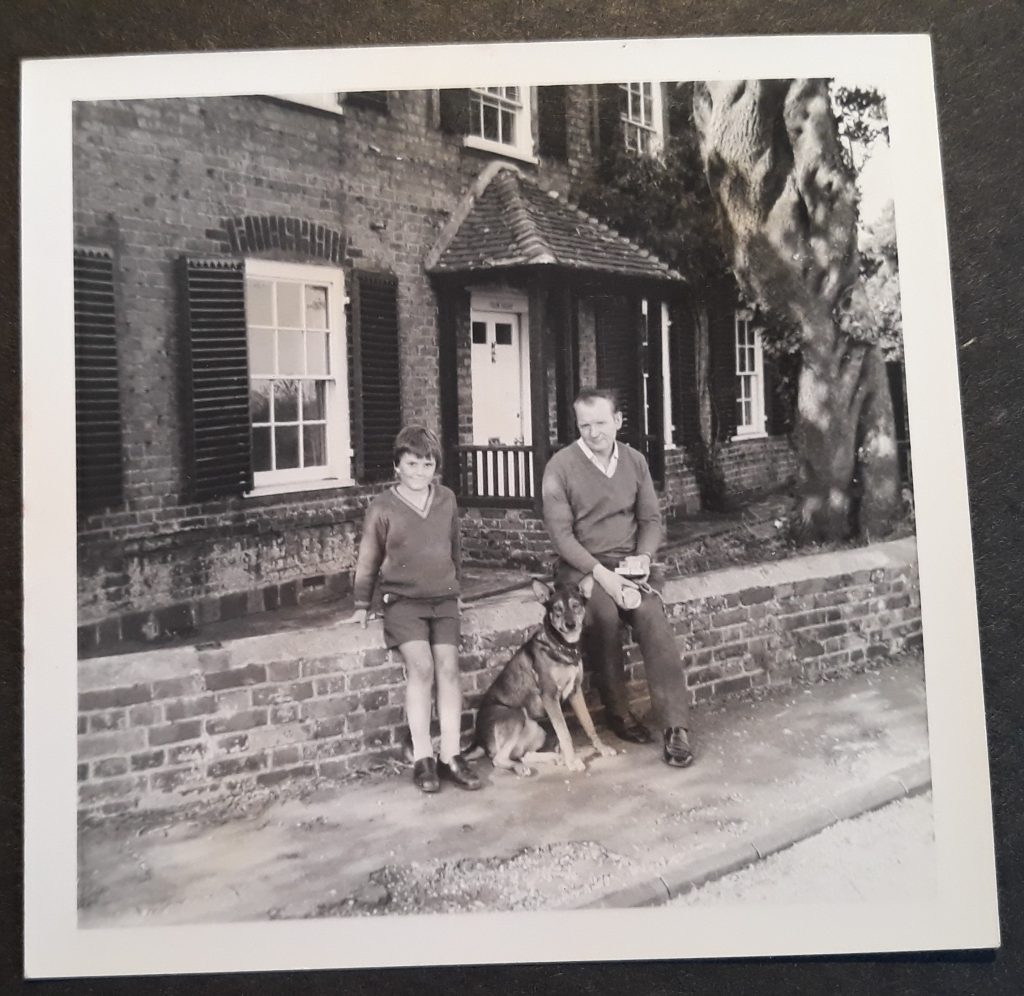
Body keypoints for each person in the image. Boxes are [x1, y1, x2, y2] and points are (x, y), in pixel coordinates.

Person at [541, 388, 694, 768]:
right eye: (585, 425)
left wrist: (643, 557)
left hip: (628, 566)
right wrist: (600, 575)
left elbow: (651, 520)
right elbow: (561, 536)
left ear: (618, 421)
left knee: (652, 617)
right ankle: (619, 713)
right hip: (583, 568)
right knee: (603, 615)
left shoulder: (635, 461)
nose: (593, 432)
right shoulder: (560, 466)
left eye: (601, 423)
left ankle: (676, 726)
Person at [345, 425, 482, 793]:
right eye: (412, 464)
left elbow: (454, 548)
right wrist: (361, 603)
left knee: (448, 668)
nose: (420, 472)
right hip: (403, 602)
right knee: (421, 667)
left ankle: (451, 754)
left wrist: (457, 589)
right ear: (397, 465)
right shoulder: (382, 506)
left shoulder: (446, 499)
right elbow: (369, 557)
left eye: (427, 464)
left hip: (444, 599)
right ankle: (423, 757)